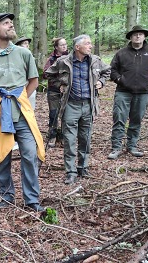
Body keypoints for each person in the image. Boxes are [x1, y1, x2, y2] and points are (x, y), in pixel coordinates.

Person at [0, 13, 46, 212]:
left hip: (23, 113)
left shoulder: (24, 54)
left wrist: (20, 96)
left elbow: (34, 80)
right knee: (2, 154)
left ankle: (32, 199)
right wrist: (0, 100)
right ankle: (6, 197)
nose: (11, 25)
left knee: (30, 154)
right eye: (6, 23)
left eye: (11, 23)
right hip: (0, 115)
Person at [45, 35, 110, 184]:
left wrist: (101, 82)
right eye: (87, 44)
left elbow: (108, 71)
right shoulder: (63, 62)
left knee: (85, 138)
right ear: (77, 47)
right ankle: (70, 171)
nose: (90, 46)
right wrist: (59, 84)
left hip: (88, 105)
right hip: (70, 105)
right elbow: (48, 74)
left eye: (90, 43)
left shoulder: (95, 60)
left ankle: (83, 167)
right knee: (69, 139)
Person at [108, 25, 148, 159]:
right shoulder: (121, 53)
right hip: (123, 92)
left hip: (143, 92)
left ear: (144, 36)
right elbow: (112, 70)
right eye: (135, 34)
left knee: (136, 120)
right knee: (119, 118)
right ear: (130, 37)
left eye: (140, 34)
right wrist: (120, 79)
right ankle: (116, 147)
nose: (138, 36)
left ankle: (132, 145)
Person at [43, 37, 68, 148]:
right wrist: (59, 82)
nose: (64, 46)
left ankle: (63, 136)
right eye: (62, 45)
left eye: (65, 44)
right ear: (56, 47)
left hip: (68, 91)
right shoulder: (52, 59)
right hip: (54, 90)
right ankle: (52, 135)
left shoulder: (70, 58)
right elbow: (45, 74)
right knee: (54, 114)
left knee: (66, 114)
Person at [14, 36, 36, 110]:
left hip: (29, 86)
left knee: (30, 110)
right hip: (16, 88)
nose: (27, 45)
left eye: (28, 44)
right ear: (19, 46)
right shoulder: (13, 58)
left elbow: (34, 78)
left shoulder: (31, 58)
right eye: (24, 43)